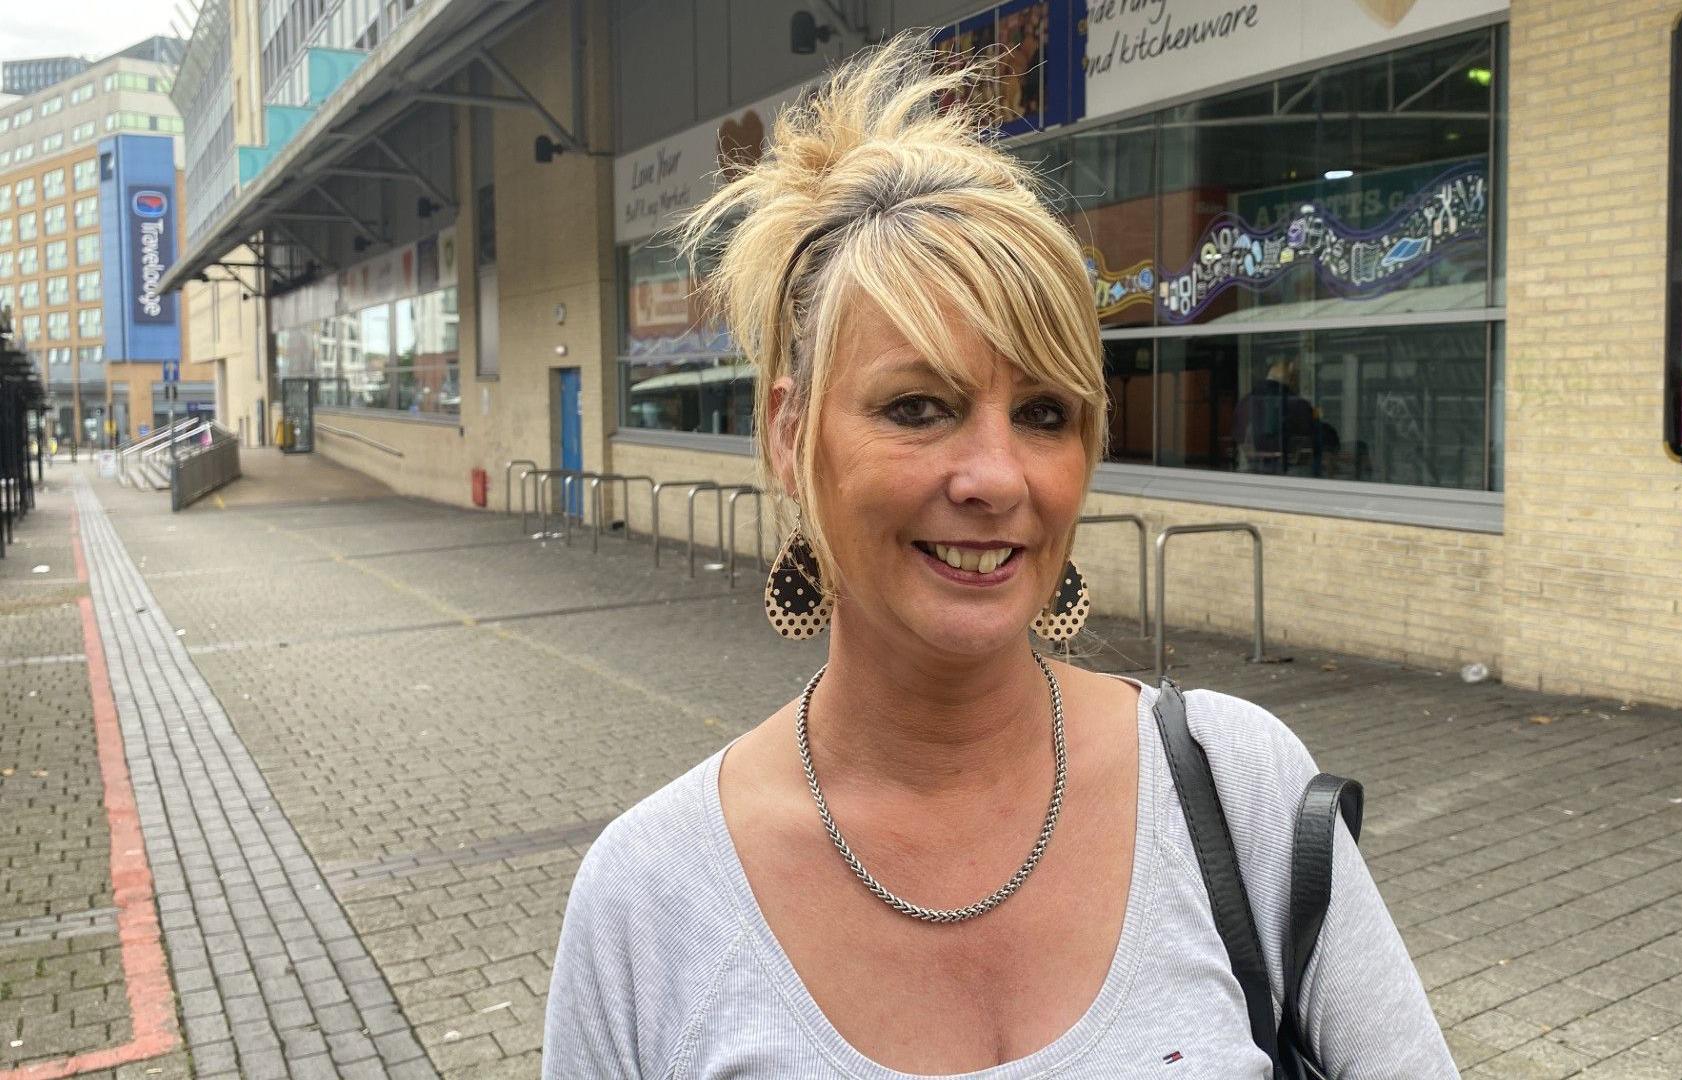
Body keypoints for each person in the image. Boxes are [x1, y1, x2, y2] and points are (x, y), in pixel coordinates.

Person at [544, 36, 1455, 1079]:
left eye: (1043, 412)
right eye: (918, 407)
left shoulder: (1235, 790)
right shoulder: (651, 901)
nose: (997, 478)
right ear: (788, 435)